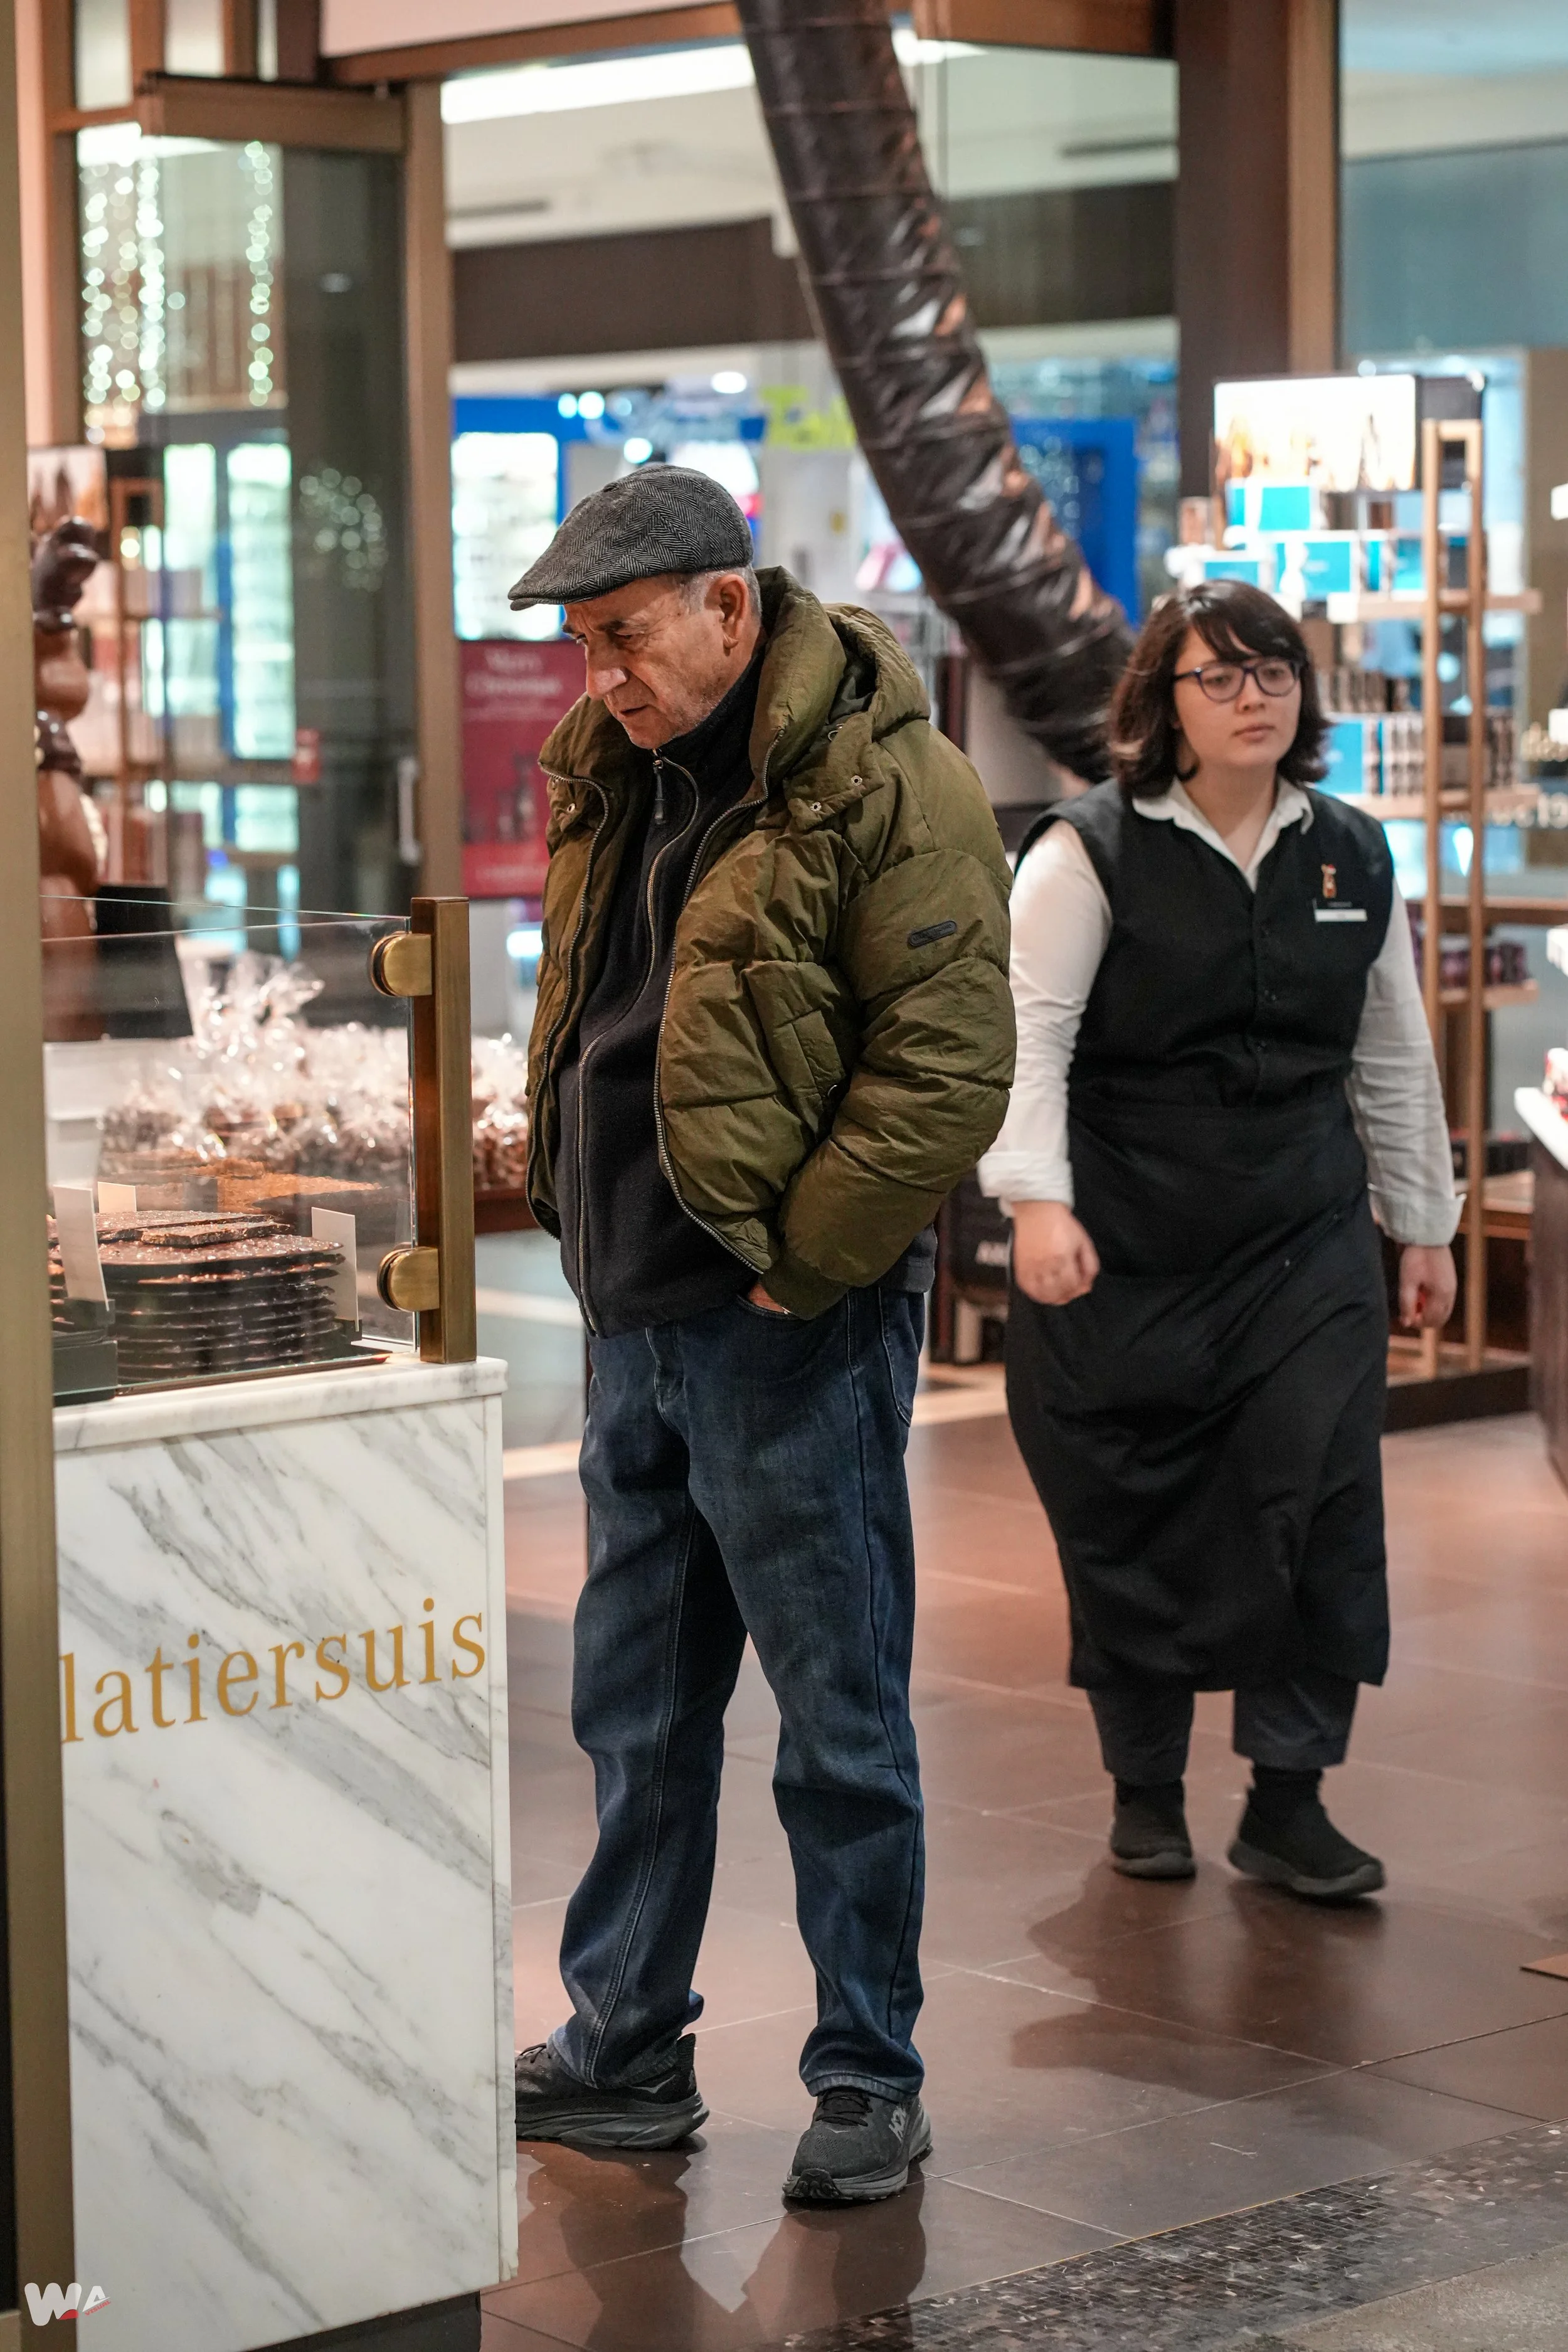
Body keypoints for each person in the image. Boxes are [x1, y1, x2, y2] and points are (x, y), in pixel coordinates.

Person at [508, 465, 1014, 2200]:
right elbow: (605, 1005)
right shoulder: (613, 773)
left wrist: (806, 1264)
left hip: (782, 1318)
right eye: (580, 647)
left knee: (836, 1715)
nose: (601, 678)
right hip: (629, 1309)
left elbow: (943, 1060)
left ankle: (869, 2069)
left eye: (624, 637)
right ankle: (621, 2042)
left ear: (731, 606)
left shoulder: (890, 778)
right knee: (634, 1706)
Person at [981, 580, 1458, 1901]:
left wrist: (1420, 1224)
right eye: (1220, 676)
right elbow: (1029, 1035)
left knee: (1318, 1500)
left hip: (1302, 1234)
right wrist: (1033, 1200)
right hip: (1123, 1232)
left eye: (1274, 675)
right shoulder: (1087, 849)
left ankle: (1286, 1802)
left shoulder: (1351, 852)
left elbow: (1391, 1053)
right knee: (1129, 1505)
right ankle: (1143, 1794)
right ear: (1161, 703)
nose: (1253, 698)